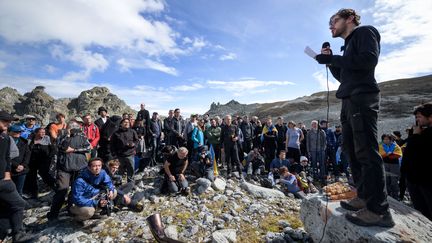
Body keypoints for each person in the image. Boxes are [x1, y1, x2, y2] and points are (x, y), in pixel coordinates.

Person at [315, 8, 394, 227]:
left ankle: (379, 211)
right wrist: (331, 61)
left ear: (349, 18)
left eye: (334, 21)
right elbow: (344, 77)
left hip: (362, 97)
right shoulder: (348, 45)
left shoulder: (365, 32)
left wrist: (336, 59)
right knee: (352, 149)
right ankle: (364, 196)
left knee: (366, 151)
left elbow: (368, 61)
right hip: (349, 98)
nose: (331, 26)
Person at [0, 111, 34, 243]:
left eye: (9, 122)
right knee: (18, 204)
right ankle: (18, 235)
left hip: (4, 180)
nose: (8, 124)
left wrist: (7, 175)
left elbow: (7, 158)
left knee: (6, 206)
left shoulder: (4, 138)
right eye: (5, 121)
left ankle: (3, 235)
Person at [47, 121, 91, 220]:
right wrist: (66, 135)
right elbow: (60, 146)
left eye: (75, 127)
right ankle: (53, 214)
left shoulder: (83, 137)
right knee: (62, 190)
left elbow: (88, 148)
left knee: (77, 189)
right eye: (71, 127)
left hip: (80, 168)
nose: (74, 129)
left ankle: (71, 210)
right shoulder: (61, 136)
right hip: (64, 168)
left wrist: (74, 150)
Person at [400, 103, 432, 221]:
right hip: (415, 179)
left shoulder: (425, 134)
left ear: (430, 117)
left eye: (419, 117)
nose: (417, 120)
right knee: (421, 212)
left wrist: (415, 136)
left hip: (426, 180)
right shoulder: (420, 132)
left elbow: (416, 152)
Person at [70, 158, 116, 222]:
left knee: (114, 192)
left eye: (99, 166)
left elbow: (108, 182)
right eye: (94, 166)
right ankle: (75, 219)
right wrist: (96, 203)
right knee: (89, 212)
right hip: (79, 203)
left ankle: (97, 210)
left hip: (94, 195)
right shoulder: (79, 181)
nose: (97, 168)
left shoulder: (102, 172)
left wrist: (111, 190)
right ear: (88, 167)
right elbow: (78, 199)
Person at [24, 127, 56, 199]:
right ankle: (33, 193)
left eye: (44, 132)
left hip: (44, 160)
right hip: (32, 161)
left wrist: (50, 157)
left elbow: (53, 149)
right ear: (36, 133)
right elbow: (27, 150)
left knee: (44, 174)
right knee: (32, 176)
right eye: (41, 132)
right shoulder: (30, 139)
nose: (43, 134)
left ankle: (55, 187)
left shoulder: (47, 138)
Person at [110, 119, 139, 183]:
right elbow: (112, 144)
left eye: (128, 122)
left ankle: (130, 183)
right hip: (120, 155)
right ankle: (119, 183)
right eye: (125, 122)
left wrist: (134, 145)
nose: (127, 123)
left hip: (130, 154)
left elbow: (136, 141)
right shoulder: (116, 133)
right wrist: (114, 155)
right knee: (120, 170)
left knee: (131, 170)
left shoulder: (132, 131)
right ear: (121, 124)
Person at [9, 125, 31, 196]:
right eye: (16, 132)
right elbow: (4, 155)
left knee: (19, 190)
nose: (18, 133)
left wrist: (23, 165)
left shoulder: (24, 141)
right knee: (8, 190)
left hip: (22, 169)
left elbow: (27, 154)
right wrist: (16, 165)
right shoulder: (5, 140)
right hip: (8, 169)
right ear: (10, 132)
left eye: (20, 132)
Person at [378, 134, 402, 199]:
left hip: (394, 165)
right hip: (385, 164)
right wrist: (389, 154)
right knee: (386, 180)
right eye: (384, 139)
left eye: (387, 139)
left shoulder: (395, 146)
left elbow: (399, 154)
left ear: (390, 139)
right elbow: (380, 154)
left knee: (394, 181)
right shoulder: (381, 146)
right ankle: (388, 195)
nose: (386, 140)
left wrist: (387, 154)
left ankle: (396, 196)